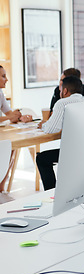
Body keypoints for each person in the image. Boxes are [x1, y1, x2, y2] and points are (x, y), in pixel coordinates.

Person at [36, 76, 84, 190]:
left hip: (73, 153)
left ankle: (52, 193)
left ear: (65, 91)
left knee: (41, 159)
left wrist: (44, 124)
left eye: (60, 90)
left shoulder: (63, 103)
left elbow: (51, 129)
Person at [0, 65, 33, 194]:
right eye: (3, 76)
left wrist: (20, 117)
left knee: (11, 147)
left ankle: (1, 189)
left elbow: (9, 114)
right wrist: (8, 117)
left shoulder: (0, 93)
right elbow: (7, 117)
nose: (6, 79)